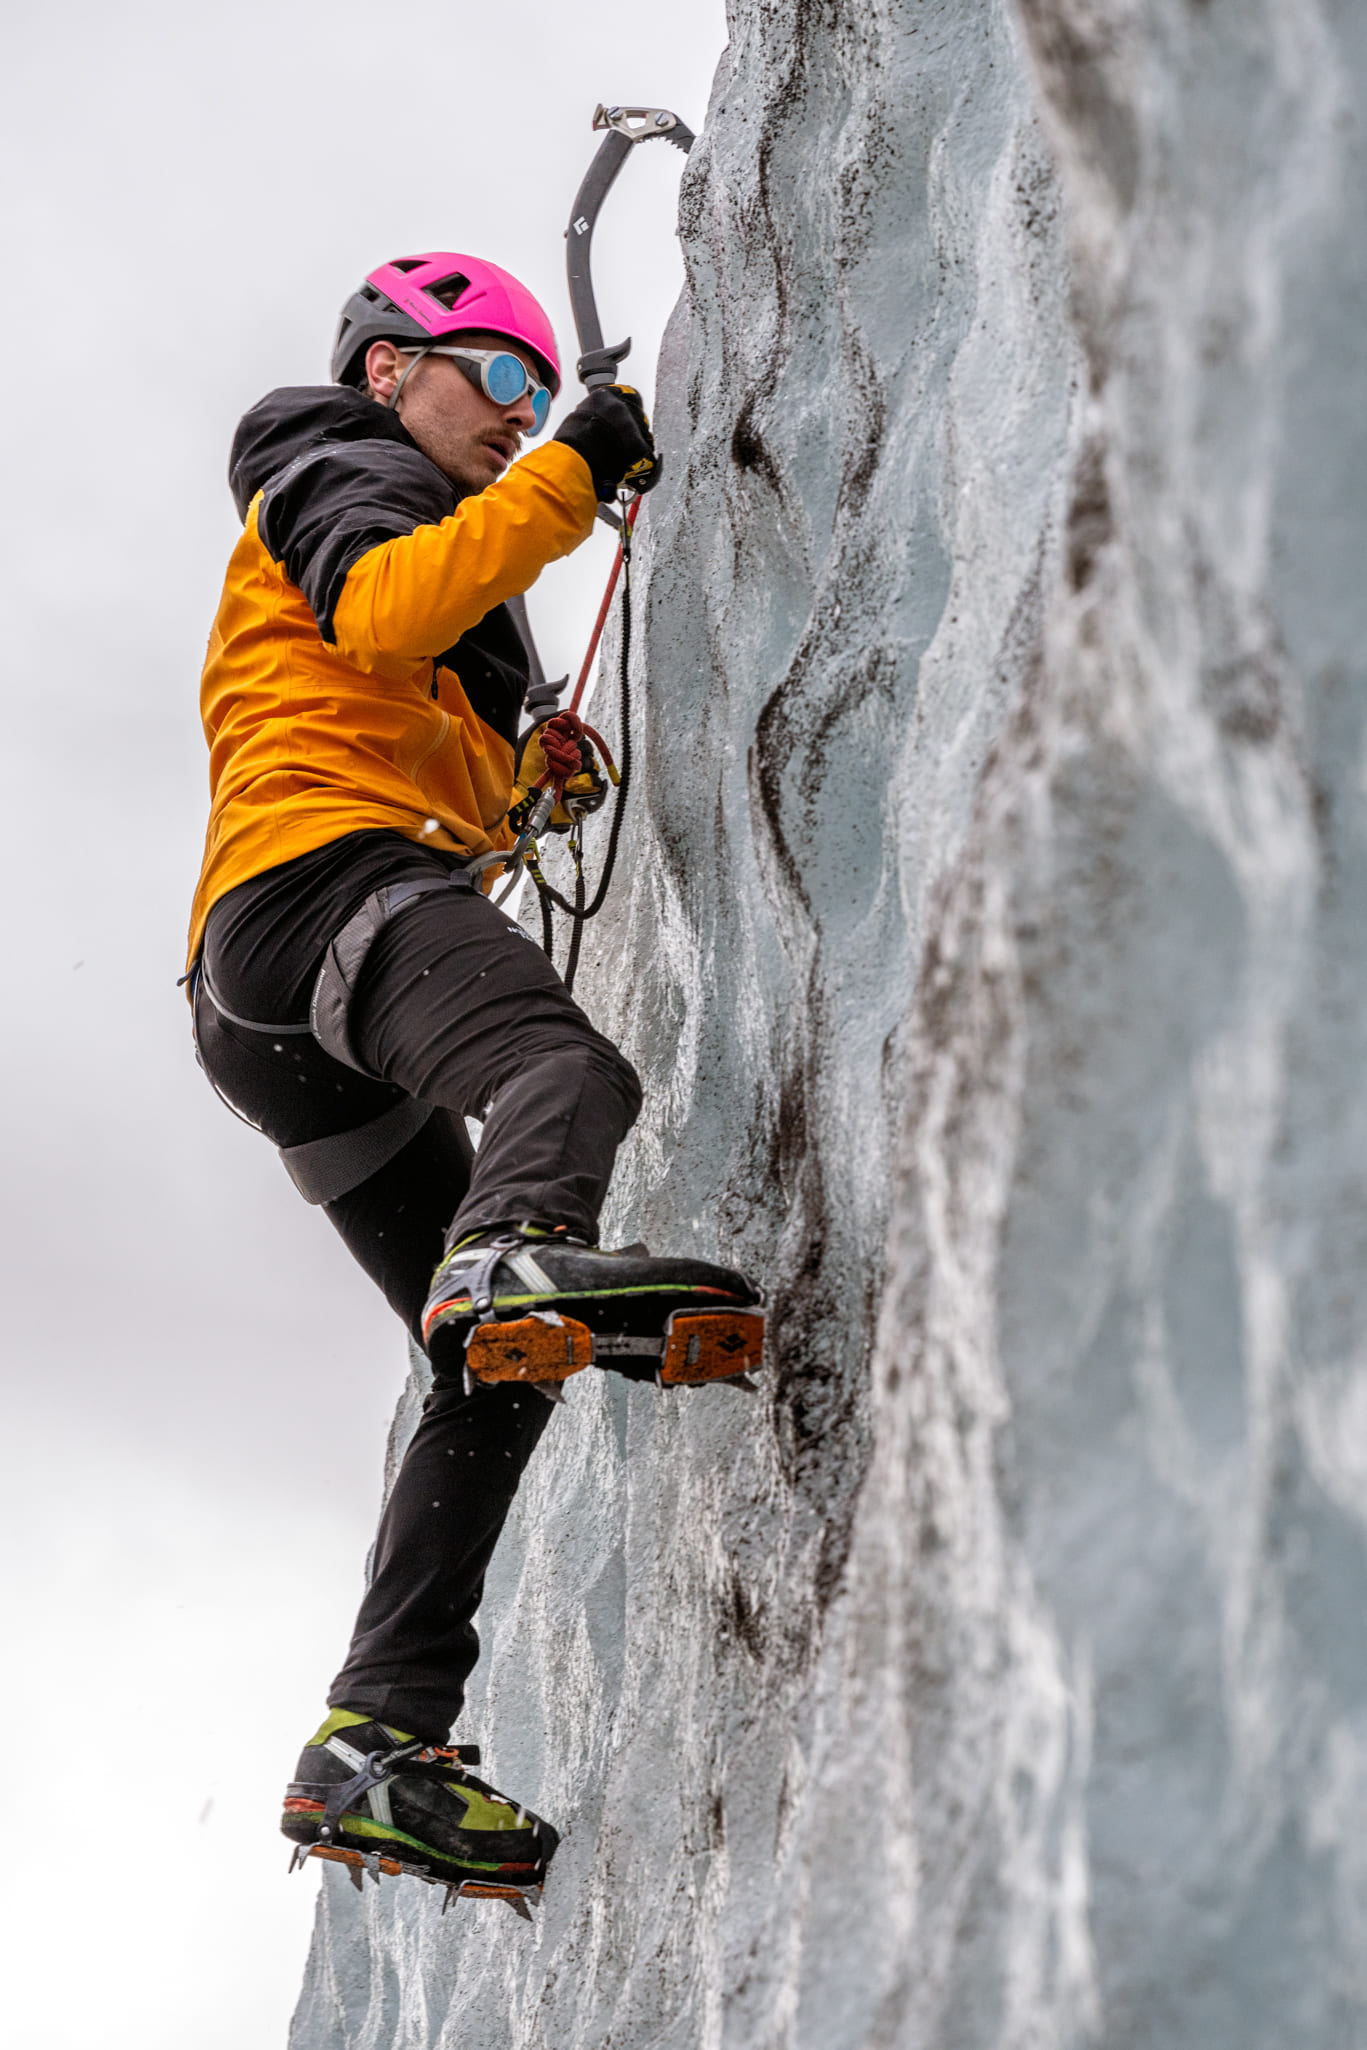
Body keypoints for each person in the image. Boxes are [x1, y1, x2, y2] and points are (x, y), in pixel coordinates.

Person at [186, 252, 762, 1897]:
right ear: (388, 371)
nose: (513, 421)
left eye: (531, 395)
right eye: (491, 382)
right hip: (318, 894)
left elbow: (397, 683)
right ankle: (514, 1243)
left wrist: (519, 767)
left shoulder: (416, 543)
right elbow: (383, 607)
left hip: (279, 1011)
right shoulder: (333, 464)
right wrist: (588, 456)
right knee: (560, 1081)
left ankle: (378, 1735)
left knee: (491, 1360)